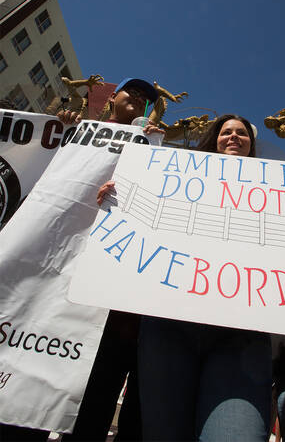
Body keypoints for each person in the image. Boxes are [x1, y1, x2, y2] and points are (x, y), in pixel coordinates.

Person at [134, 114, 272, 441]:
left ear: (252, 145)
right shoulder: (175, 178)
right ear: (215, 138)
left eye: (242, 133)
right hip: (170, 324)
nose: (234, 137)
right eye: (226, 132)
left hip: (241, 334)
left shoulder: (280, 193)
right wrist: (121, 192)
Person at [62, 77, 163, 442]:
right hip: (64, 280)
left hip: (117, 297)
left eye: (144, 97)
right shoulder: (76, 130)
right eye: (130, 91)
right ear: (112, 98)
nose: (137, 98)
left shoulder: (152, 145)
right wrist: (65, 129)